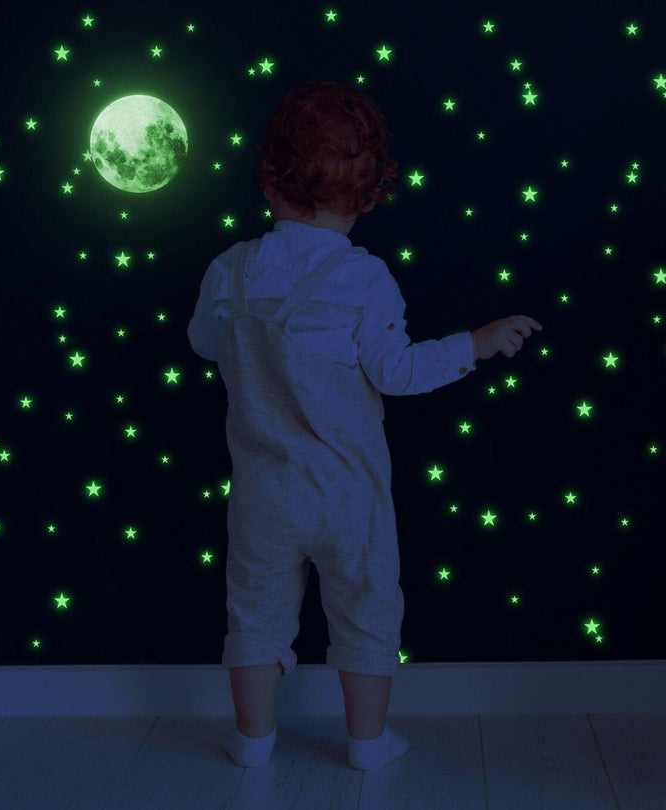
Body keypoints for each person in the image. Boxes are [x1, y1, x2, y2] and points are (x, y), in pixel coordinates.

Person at [187, 80, 542, 770]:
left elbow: (205, 343)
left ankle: (254, 742)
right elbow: (397, 373)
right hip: (348, 491)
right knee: (366, 610)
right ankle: (369, 742)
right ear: (367, 194)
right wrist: (472, 343)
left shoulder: (229, 271)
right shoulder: (364, 277)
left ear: (270, 181)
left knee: (256, 614)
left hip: (264, 490)